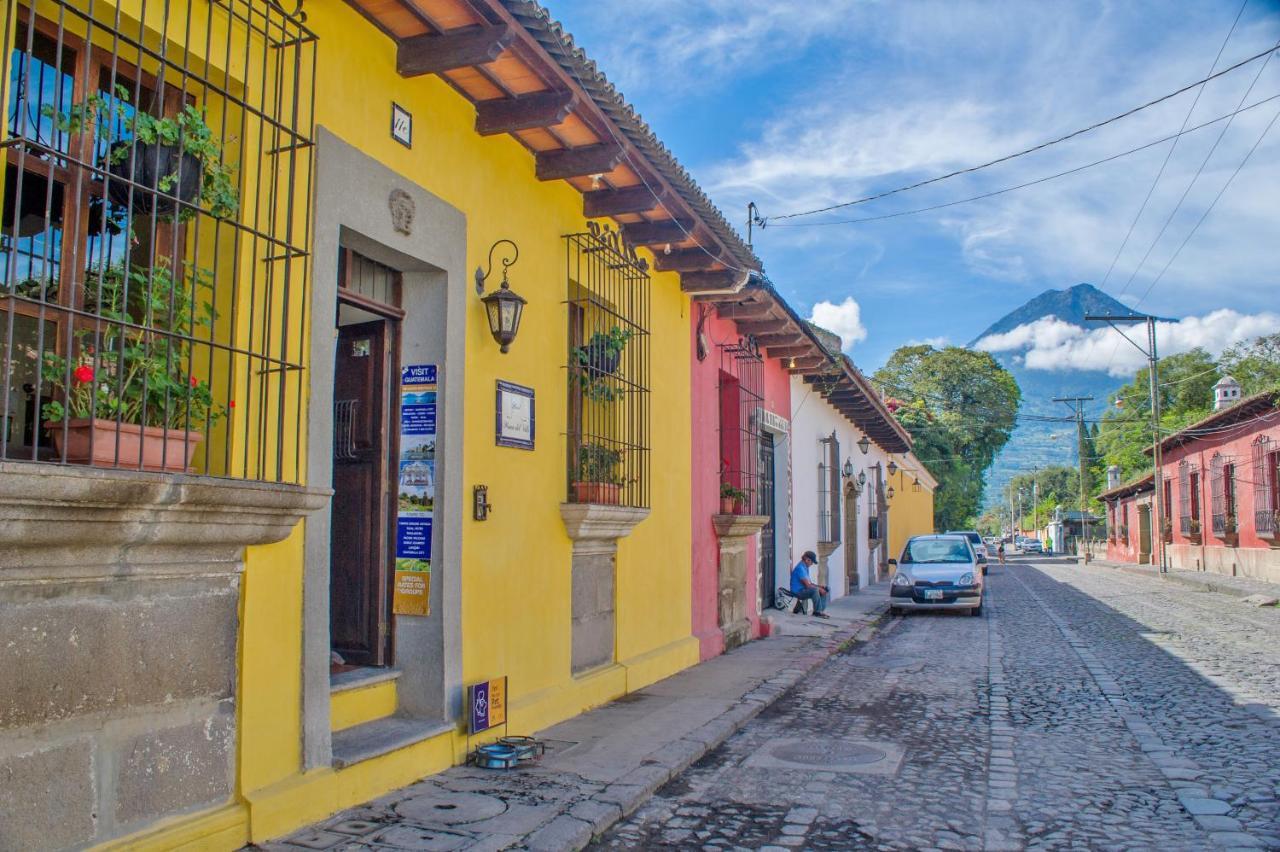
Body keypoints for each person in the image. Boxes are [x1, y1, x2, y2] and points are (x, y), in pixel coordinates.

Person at [790, 551, 830, 618]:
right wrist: (818, 589)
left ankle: (820, 611)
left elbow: (810, 583)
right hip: (798, 591)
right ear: (807, 559)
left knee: (824, 589)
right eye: (811, 562)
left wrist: (820, 587)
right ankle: (817, 612)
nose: (811, 564)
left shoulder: (805, 568)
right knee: (815, 590)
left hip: (803, 589)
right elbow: (808, 585)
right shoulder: (800, 568)